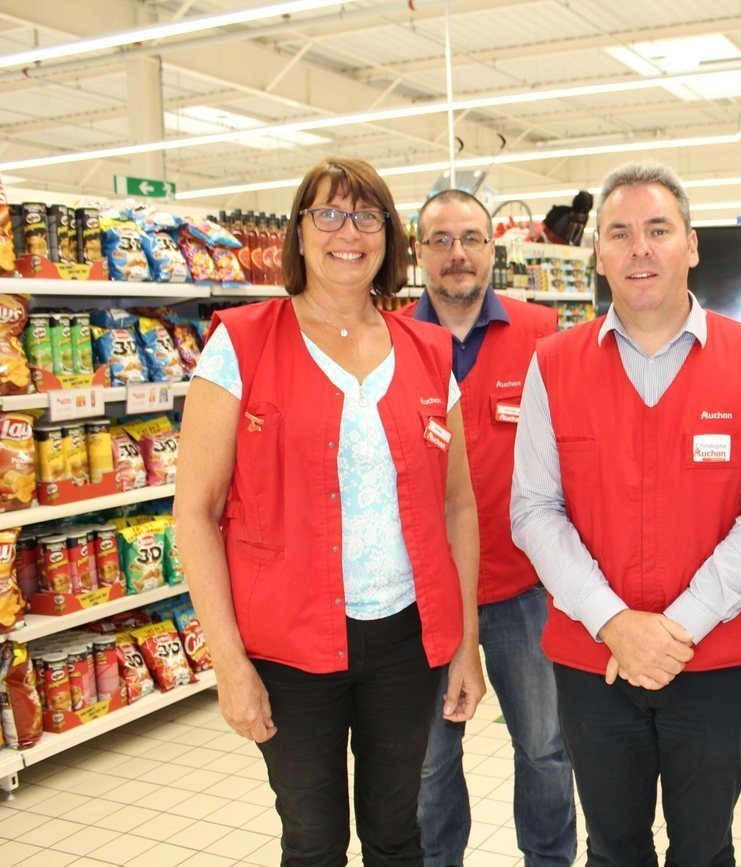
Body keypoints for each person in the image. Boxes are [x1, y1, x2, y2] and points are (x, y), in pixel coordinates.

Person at [176, 157, 485, 866]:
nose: (348, 231)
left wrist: (465, 640)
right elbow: (195, 511)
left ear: (388, 236)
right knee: (312, 840)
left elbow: (457, 504)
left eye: (367, 215)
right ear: (300, 232)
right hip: (289, 647)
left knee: (397, 831)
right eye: (328, 213)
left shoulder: (429, 350)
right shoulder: (242, 345)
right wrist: (228, 661)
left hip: (406, 640)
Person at [510, 160, 741, 867]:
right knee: (613, 848)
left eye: (658, 230)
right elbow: (533, 510)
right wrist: (614, 622)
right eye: (620, 233)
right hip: (592, 662)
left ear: (692, 245)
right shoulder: (553, 364)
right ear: (600, 253)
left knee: (704, 848)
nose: (640, 248)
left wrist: (674, 631)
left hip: (712, 658)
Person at [409, 189, 577, 867]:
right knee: (427, 761)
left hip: (523, 588)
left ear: (491, 249)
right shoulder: (392, 339)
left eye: (472, 238)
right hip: (422, 593)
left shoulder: (543, 334)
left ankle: (549, 859)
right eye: (441, 239)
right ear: (419, 252)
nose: (458, 254)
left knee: (543, 746)